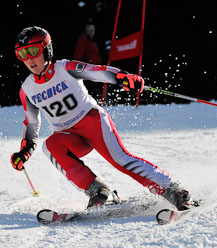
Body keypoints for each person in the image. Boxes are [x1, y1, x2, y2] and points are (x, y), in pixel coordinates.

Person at [11, 26, 194, 210]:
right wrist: (25, 150)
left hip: (92, 122)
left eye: (33, 51)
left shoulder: (65, 68)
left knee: (121, 160)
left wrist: (122, 77)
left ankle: (175, 191)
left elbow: (97, 71)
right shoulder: (27, 89)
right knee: (50, 146)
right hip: (69, 136)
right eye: (22, 54)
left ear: (47, 49)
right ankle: (99, 192)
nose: (29, 59)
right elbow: (32, 122)